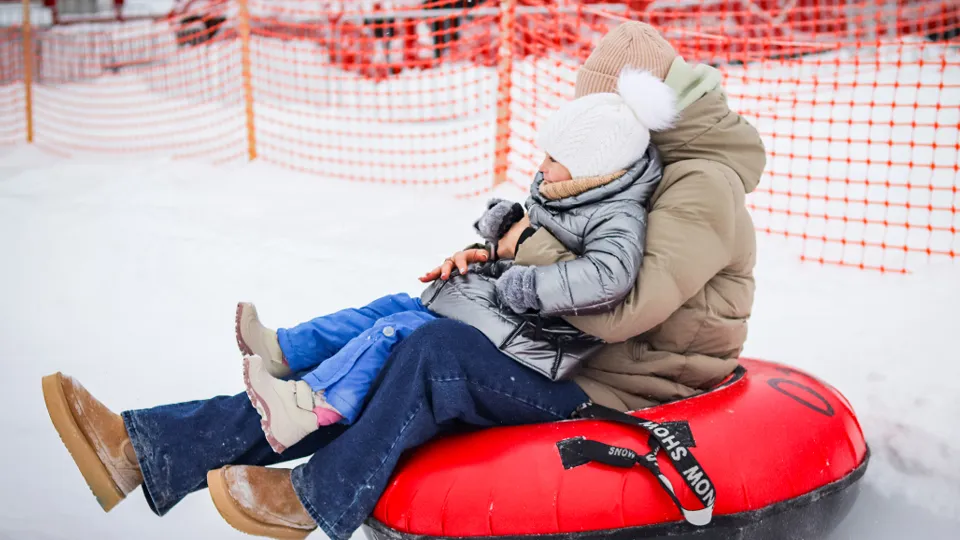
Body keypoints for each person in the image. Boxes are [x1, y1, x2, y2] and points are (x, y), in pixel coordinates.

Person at [40, 21, 765, 540]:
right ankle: (145, 449)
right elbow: (563, 242)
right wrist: (486, 257)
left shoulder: (700, 185)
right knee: (400, 325)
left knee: (431, 353)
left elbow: (624, 304)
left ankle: (315, 498)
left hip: (621, 385)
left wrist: (511, 261)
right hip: (561, 348)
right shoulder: (639, 165)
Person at [240, 66, 676, 454]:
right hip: (501, 310)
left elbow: (608, 275)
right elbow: (532, 245)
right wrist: (491, 252)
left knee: (400, 331)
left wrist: (527, 285)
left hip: (530, 338)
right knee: (390, 308)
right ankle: (285, 349)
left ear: (590, 167)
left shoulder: (618, 215)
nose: (541, 166)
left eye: (553, 159)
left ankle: (310, 408)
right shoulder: (566, 191)